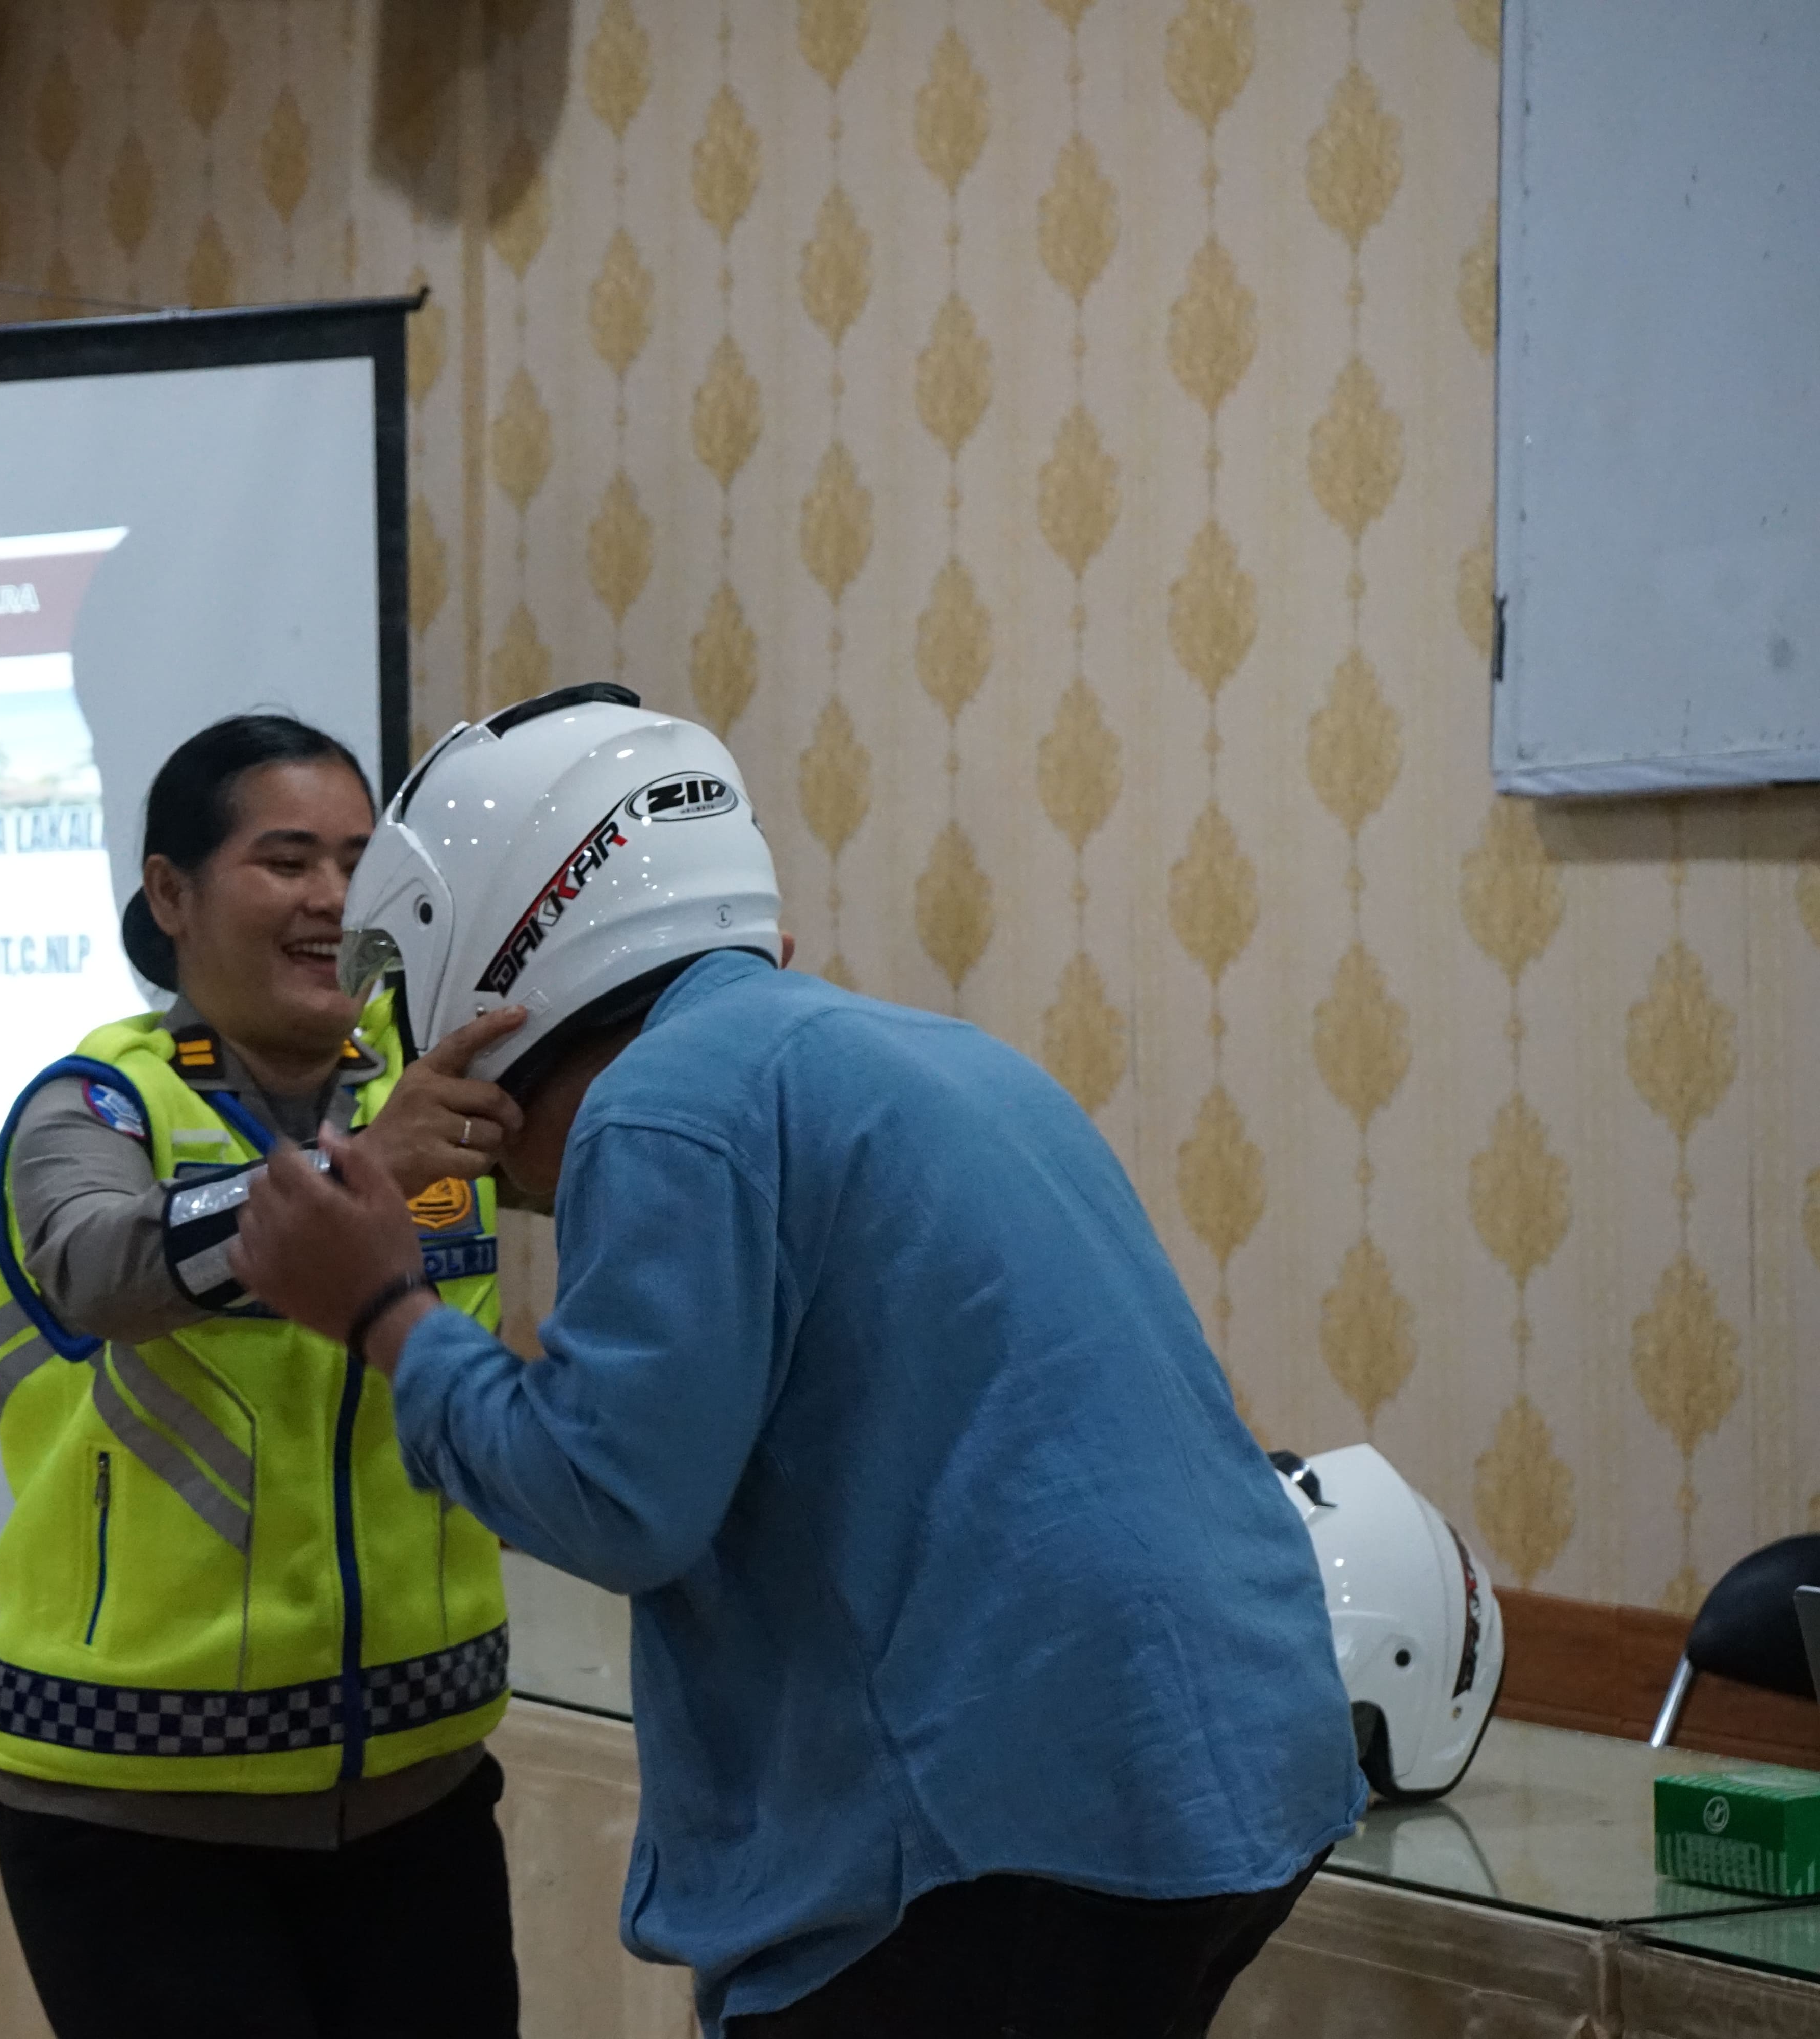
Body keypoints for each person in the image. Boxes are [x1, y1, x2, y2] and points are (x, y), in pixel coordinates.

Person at [234, 684, 1366, 2039]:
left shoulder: (665, 1103)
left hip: (1007, 1823)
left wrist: (379, 1309)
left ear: (484, 953)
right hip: (1231, 1769)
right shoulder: (925, 1051)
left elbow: (611, 1498)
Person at [0, 714, 533, 2039]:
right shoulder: (93, 1106)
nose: (332, 899)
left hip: (423, 1773)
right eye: (286, 862)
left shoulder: (428, 1087)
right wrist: (364, 1173)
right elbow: (97, 1269)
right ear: (172, 893)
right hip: (138, 1801)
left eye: (357, 862)